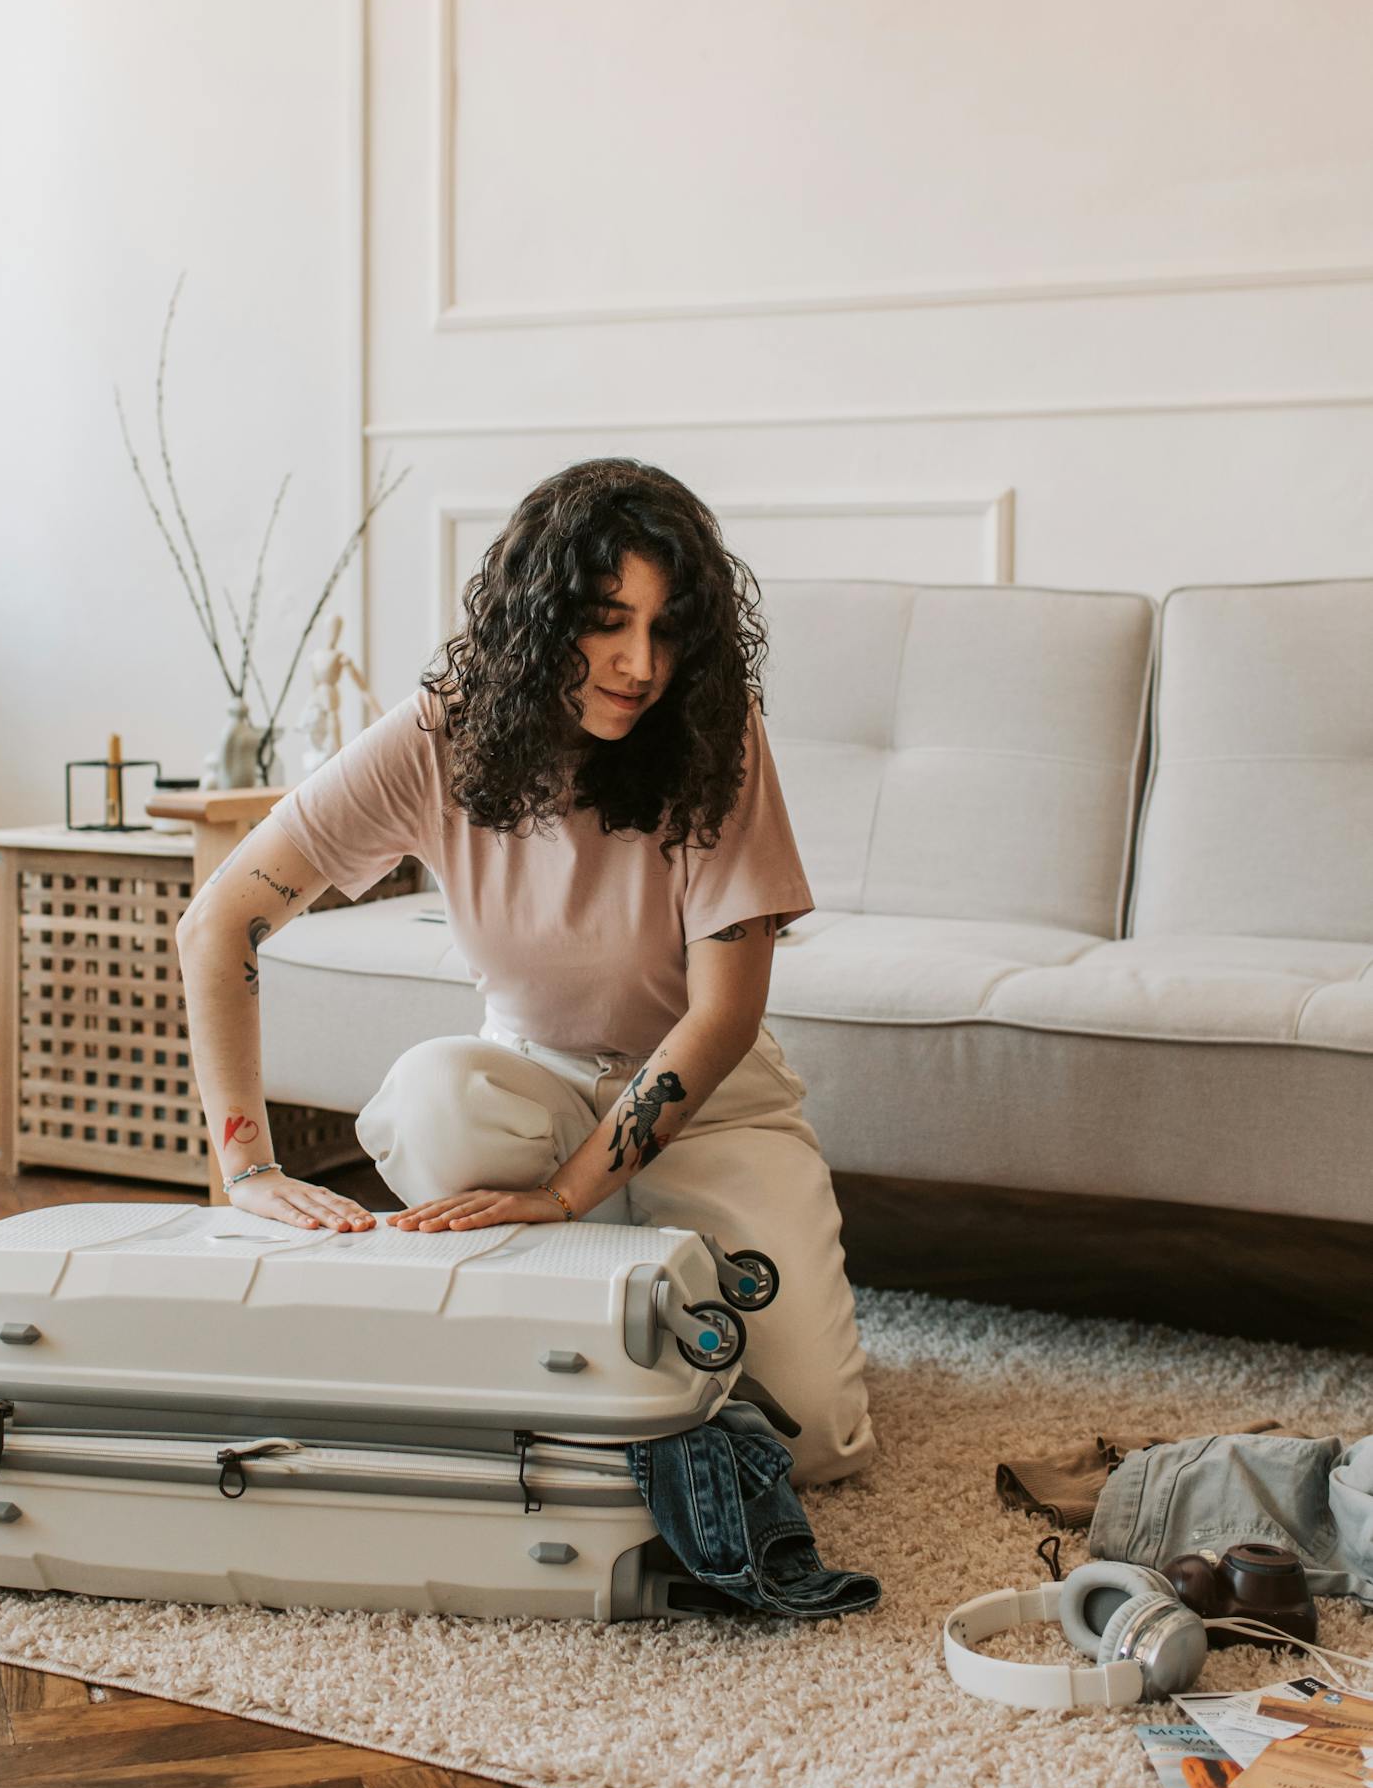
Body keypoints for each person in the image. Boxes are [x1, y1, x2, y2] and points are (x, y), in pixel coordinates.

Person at [175, 458, 873, 1486]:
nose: (639, 662)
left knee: (809, 1440)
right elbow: (219, 921)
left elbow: (724, 1015)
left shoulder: (716, 737)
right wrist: (249, 1167)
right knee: (431, 1102)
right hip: (532, 1084)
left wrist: (565, 1194)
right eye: (607, 621)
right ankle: (587, 1291)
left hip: (712, 1102)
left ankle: (610, 1246)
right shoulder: (437, 732)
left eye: (667, 628)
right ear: (541, 614)